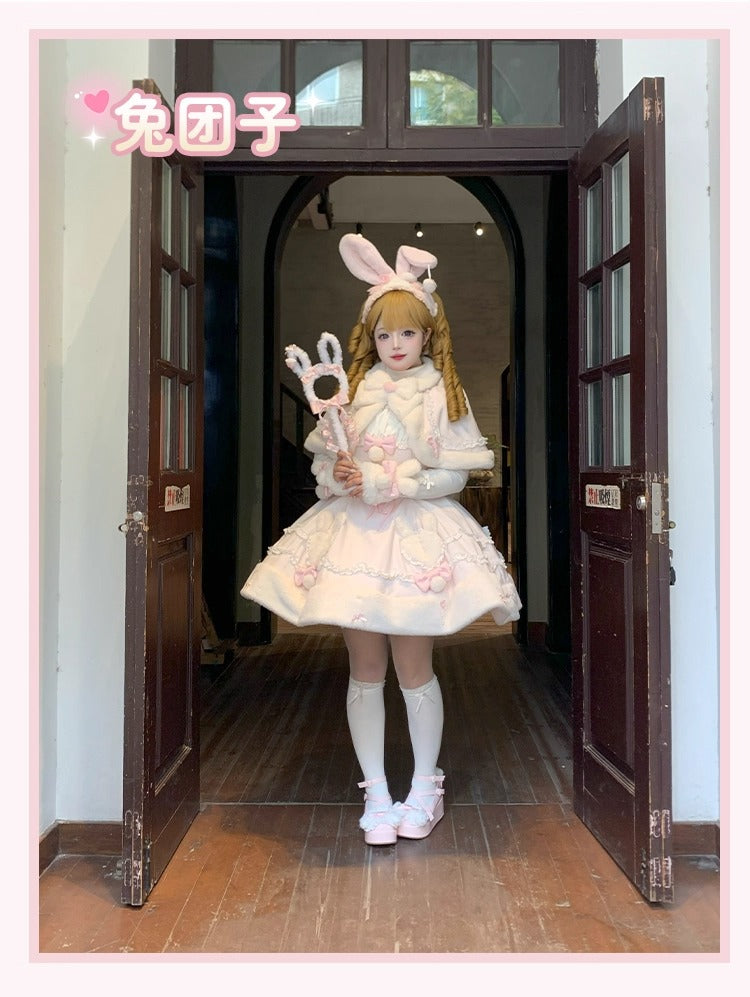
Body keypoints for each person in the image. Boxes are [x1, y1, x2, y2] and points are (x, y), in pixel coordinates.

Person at [241, 233, 521, 845]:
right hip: (355, 541)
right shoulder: (351, 393)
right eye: (385, 333)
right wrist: (339, 478)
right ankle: (377, 792)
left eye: (408, 333)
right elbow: (325, 469)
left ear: (428, 334)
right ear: (371, 336)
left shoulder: (443, 392)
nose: (396, 345)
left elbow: (455, 472)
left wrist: (387, 480)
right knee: (365, 669)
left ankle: (424, 787)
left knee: (414, 668)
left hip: (419, 538)